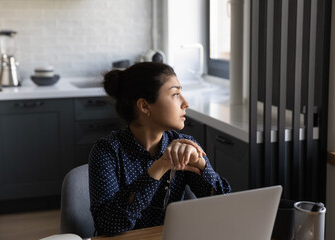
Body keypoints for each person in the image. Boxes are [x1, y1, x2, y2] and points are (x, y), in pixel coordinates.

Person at [88, 62, 231, 236]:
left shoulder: (185, 146)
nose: (186, 103)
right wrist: (159, 167)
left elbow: (223, 209)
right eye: (176, 94)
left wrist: (202, 166)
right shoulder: (107, 151)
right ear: (145, 106)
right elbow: (108, 225)